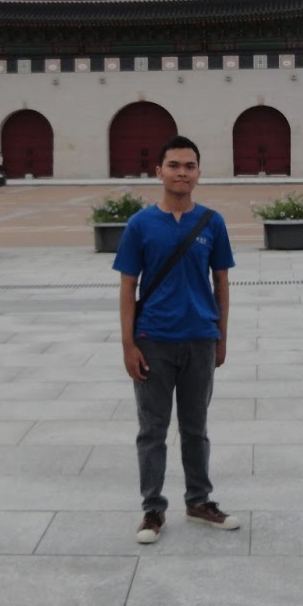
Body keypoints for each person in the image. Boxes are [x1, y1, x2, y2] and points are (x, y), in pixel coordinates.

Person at [114, 135, 238, 544]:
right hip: (153, 340)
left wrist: (221, 335)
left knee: (196, 427)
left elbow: (221, 282)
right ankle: (152, 509)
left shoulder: (212, 222)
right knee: (152, 429)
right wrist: (128, 344)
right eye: (173, 165)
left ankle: (199, 500)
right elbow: (127, 286)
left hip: (200, 338)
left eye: (189, 165)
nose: (181, 172)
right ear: (159, 172)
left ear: (199, 173)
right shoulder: (140, 224)